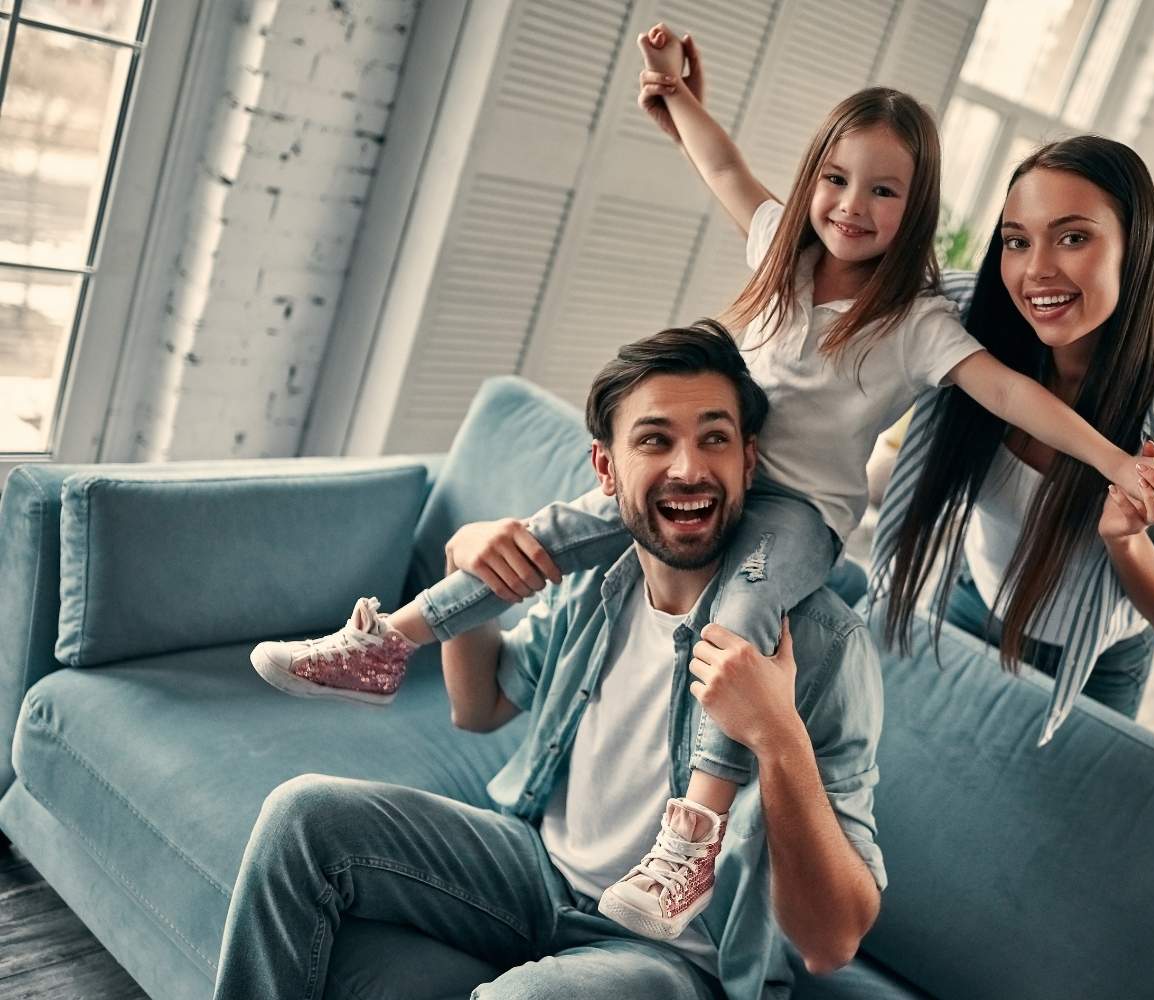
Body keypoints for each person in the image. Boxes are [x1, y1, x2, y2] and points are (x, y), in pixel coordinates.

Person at [247, 26, 1154, 938]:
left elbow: (1015, 393)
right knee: (550, 529)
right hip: (723, 482)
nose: (852, 205)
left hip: (796, 516)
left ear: (917, 204)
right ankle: (384, 645)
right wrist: (679, 100)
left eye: (883, 190)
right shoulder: (782, 258)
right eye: (836, 178)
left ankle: (689, 836)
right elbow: (726, 170)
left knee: (734, 630)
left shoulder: (915, 324)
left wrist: (1115, 462)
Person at [212, 324, 885, 1000]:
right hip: (536, 874)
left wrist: (776, 738)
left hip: (679, 957)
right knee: (304, 815)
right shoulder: (601, 585)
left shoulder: (824, 645)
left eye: (713, 438)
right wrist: (462, 565)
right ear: (605, 469)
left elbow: (832, 942)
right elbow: (479, 709)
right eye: (654, 440)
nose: (687, 468)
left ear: (748, 460)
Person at [874, 135, 1154, 740]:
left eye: (1073, 237)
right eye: (1017, 241)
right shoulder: (966, 318)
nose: (1036, 270)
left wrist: (1127, 540)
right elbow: (819, 256)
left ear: (1136, 248)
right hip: (975, 601)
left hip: (1097, 663)